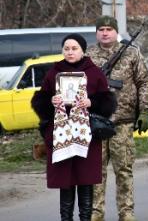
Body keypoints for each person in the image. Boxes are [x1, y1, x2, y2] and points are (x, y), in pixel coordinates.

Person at [31, 34, 116, 221]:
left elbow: (108, 103)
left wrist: (90, 102)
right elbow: (39, 100)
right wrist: (50, 101)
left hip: (87, 136)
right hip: (61, 135)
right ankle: (66, 218)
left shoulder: (94, 72)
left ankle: (86, 218)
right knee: (65, 181)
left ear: (83, 50)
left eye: (74, 48)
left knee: (85, 180)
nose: (70, 52)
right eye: (67, 49)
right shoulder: (54, 72)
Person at [88, 16, 148, 221]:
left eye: (109, 29)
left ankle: (126, 213)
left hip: (123, 123)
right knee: (95, 173)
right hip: (95, 123)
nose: (105, 33)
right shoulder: (88, 55)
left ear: (116, 32)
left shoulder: (132, 54)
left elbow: (145, 82)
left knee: (124, 171)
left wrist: (145, 111)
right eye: (101, 29)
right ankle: (96, 213)